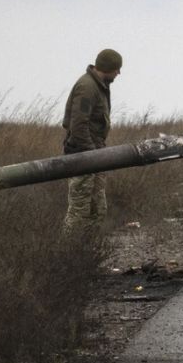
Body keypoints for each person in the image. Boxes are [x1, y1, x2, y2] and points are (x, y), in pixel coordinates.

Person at [62, 48, 123, 231]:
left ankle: (87, 251)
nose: (119, 73)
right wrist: (91, 154)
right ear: (108, 68)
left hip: (94, 156)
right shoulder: (87, 87)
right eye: (117, 69)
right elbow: (78, 124)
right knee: (79, 213)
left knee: (97, 210)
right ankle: (68, 253)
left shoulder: (98, 85)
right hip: (83, 158)